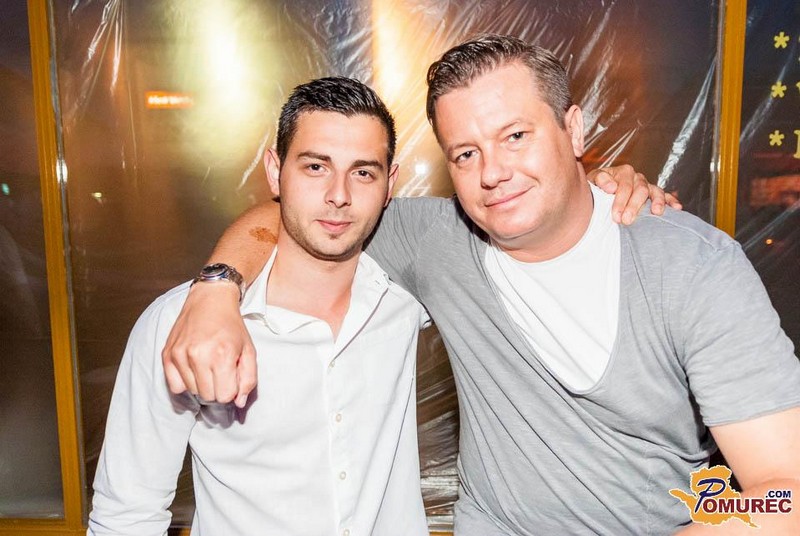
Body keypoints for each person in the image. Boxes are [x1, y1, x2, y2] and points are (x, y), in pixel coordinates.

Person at [163, 35, 800, 534]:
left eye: (515, 136)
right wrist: (216, 290)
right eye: (465, 153)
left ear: (575, 130)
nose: (492, 172)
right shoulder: (438, 241)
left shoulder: (691, 268)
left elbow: (784, 493)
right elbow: (296, 210)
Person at [88, 77, 432, 536]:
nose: (339, 195)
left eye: (363, 172)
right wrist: (218, 290)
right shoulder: (182, 324)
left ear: (390, 184)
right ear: (275, 171)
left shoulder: (407, 297)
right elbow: (127, 514)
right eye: (315, 167)